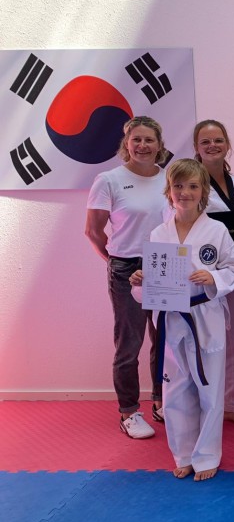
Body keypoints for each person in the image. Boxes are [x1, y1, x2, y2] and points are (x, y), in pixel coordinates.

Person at [129, 159, 234, 480]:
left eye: (193, 186)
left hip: (205, 316)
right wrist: (140, 281)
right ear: (169, 191)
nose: (185, 192)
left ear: (203, 192)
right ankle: (183, 453)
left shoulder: (216, 230)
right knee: (176, 391)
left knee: (210, 388)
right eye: (178, 186)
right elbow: (152, 280)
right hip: (172, 319)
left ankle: (206, 457)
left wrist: (214, 277)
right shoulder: (159, 233)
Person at [85, 116, 170, 439]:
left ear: (159, 145)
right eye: (137, 140)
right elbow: (93, 231)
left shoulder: (169, 178)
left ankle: (161, 401)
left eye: (149, 140)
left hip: (164, 264)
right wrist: (116, 261)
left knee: (165, 340)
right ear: (127, 144)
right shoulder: (109, 179)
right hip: (126, 268)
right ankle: (129, 412)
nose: (143, 145)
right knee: (129, 343)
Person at [195, 119, 234, 427]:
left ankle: (232, 404)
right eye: (205, 141)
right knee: (208, 342)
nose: (213, 146)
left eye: (218, 140)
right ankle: (206, 406)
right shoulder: (193, 185)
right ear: (197, 148)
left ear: (227, 144)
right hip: (208, 274)